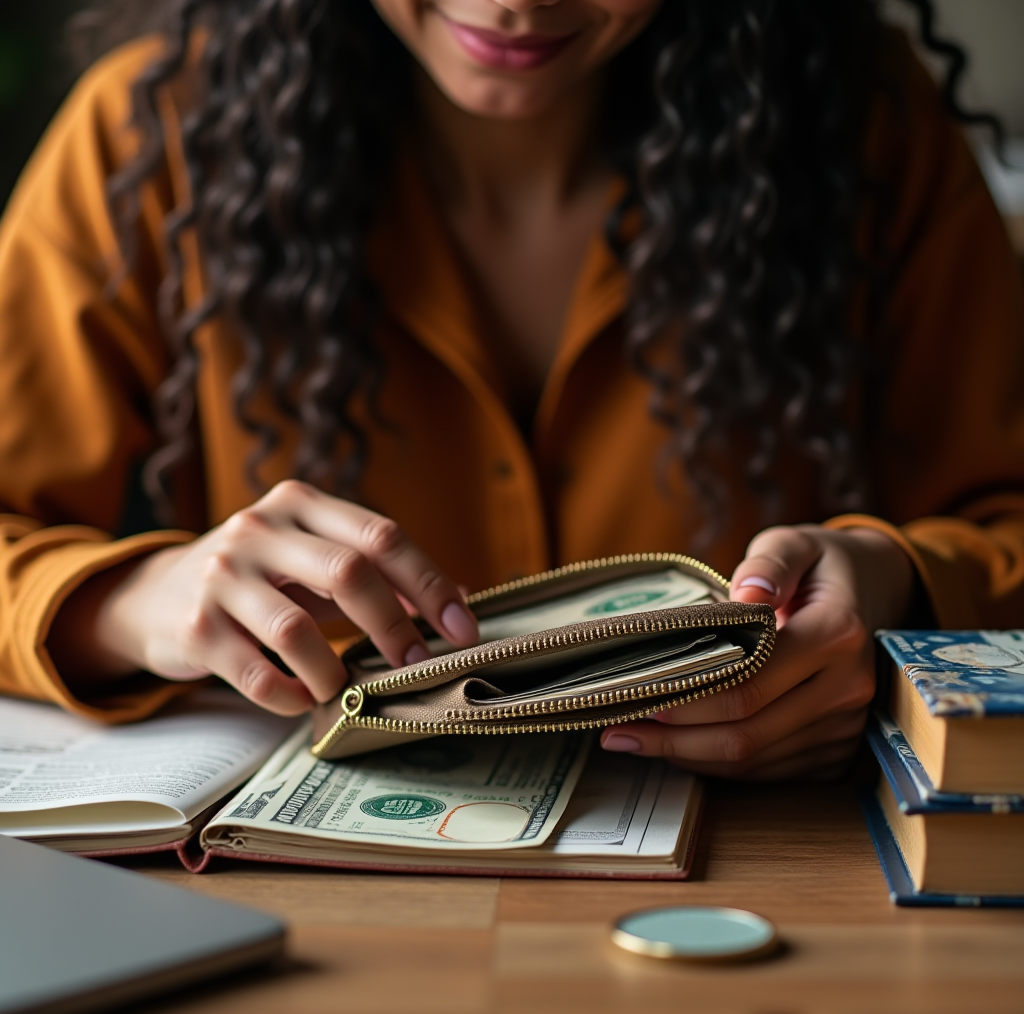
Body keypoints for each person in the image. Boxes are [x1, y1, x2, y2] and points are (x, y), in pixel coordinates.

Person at [0, 0, 1022, 781]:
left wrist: (896, 585)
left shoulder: (865, 132)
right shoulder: (149, 139)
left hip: (775, 885)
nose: (515, 3)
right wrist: (129, 602)